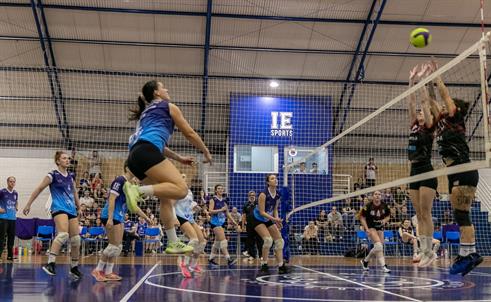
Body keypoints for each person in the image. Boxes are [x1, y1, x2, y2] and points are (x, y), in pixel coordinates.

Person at [123, 80, 212, 254]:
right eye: (163, 87)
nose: (166, 89)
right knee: (181, 190)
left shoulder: (146, 114)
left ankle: (172, 242)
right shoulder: (168, 106)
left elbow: (157, 144)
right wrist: (206, 151)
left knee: (166, 198)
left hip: (135, 155)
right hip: (147, 151)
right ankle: (137, 191)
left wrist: (179, 158)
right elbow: (190, 133)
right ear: (157, 92)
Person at [428, 60, 482, 275]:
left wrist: (437, 75)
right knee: (460, 215)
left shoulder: (455, 117)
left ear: (455, 109)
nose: (442, 107)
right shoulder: (441, 122)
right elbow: (432, 101)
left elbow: (444, 95)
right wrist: (425, 83)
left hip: (463, 168)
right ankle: (468, 253)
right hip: (453, 172)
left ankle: (471, 254)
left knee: (462, 216)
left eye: (447, 106)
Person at [23, 151, 82, 279]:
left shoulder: (71, 176)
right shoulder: (52, 175)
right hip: (59, 208)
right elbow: (39, 189)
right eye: (64, 158)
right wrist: (28, 204)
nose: (67, 160)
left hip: (71, 209)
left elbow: (75, 192)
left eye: (68, 158)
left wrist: (79, 207)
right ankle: (50, 264)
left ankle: (74, 267)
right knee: (63, 235)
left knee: (76, 239)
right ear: (58, 161)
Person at [91, 162, 152, 282]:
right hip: (111, 216)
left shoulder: (129, 185)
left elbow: (134, 207)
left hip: (119, 216)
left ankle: (108, 272)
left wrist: (146, 217)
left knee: (116, 247)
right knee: (114, 245)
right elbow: (112, 199)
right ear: (128, 168)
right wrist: (109, 218)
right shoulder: (119, 180)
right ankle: (97, 270)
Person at [407, 64, 439, 267]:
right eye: (418, 112)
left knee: (426, 213)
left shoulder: (429, 126)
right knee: (418, 215)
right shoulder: (413, 125)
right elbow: (411, 103)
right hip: (413, 171)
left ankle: (429, 252)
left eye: (421, 112)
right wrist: (411, 81)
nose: (419, 112)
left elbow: (424, 103)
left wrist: (423, 81)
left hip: (426, 170)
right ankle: (424, 250)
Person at [252, 174, 290, 275]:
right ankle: (264, 264)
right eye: (272, 178)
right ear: (268, 182)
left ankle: (281, 266)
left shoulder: (278, 194)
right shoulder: (263, 194)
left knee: (280, 241)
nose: (275, 180)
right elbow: (262, 212)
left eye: (275, 178)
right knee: (268, 240)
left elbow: (275, 209)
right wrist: (275, 219)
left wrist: (277, 220)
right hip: (257, 218)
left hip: (268, 218)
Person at [174, 174, 207, 278]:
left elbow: (191, 204)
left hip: (190, 217)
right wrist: (174, 218)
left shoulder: (189, 191)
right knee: (194, 240)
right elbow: (170, 205)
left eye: (185, 177)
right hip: (180, 216)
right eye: (182, 177)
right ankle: (184, 264)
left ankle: (193, 265)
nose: (184, 178)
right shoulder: (176, 190)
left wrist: (197, 207)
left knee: (202, 243)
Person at [358, 190, 391, 273]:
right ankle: (383, 266)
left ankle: (365, 261)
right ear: (373, 196)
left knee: (379, 247)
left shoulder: (384, 205)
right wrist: (366, 228)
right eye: (376, 194)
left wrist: (384, 220)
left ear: (381, 196)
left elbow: (388, 216)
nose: (377, 196)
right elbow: (362, 217)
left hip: (380, 227)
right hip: (371, 227)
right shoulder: (368, 206)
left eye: (379, 194)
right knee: (379, 246)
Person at [208, 184, 238, 267]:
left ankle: (211, 259)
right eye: (219, 188)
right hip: (214, 223)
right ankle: (229, 260)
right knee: (223, 241)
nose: (221, 190)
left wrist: (234, 222)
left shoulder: (224, 201)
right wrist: (221, 210)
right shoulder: (213, 199)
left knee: (217, 243)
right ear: (216, 190)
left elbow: (227, 213)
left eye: (222, 188)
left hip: (221, 223)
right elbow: (210, 211)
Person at [0, 177, 18, 262]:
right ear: (7, 182)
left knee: (11, 238)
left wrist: (16, 207)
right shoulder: (2, 192)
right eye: (10, 181)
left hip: (12, 218)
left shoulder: (15, 193)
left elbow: (16, 202)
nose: (12, 183)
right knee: (2, 237)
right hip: (4, 218)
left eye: (13, 182)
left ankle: (10, 256)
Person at [241, 191, 263, 261]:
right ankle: (252, 255)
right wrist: (243, 226)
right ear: (248, 196)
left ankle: (261, 255)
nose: (252, 196)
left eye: (253, 195)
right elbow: (244, 216)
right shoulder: (245, 205)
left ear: (255, 196)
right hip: (249, 225)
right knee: (250, 240)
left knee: (259, 240)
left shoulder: (258, 204)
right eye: (250, 195)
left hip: (258, 224)